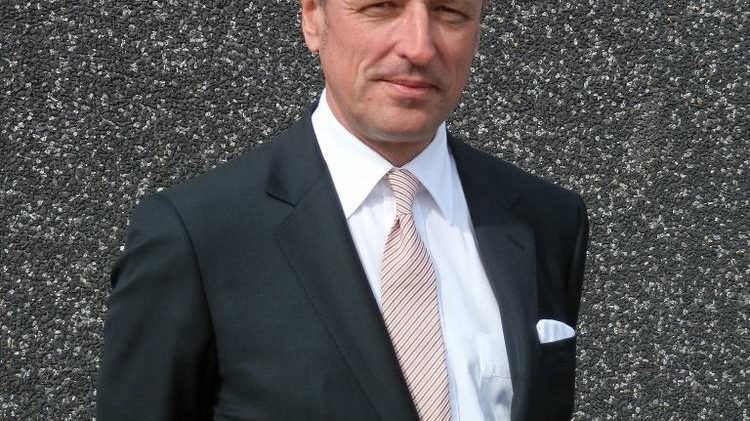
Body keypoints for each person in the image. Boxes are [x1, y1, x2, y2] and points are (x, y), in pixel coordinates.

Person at [97, 0, 589, 420]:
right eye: (380, 7)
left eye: (449, 12)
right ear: (313, 17)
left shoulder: (547, 222)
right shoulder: (197, 236)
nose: (419, 47)